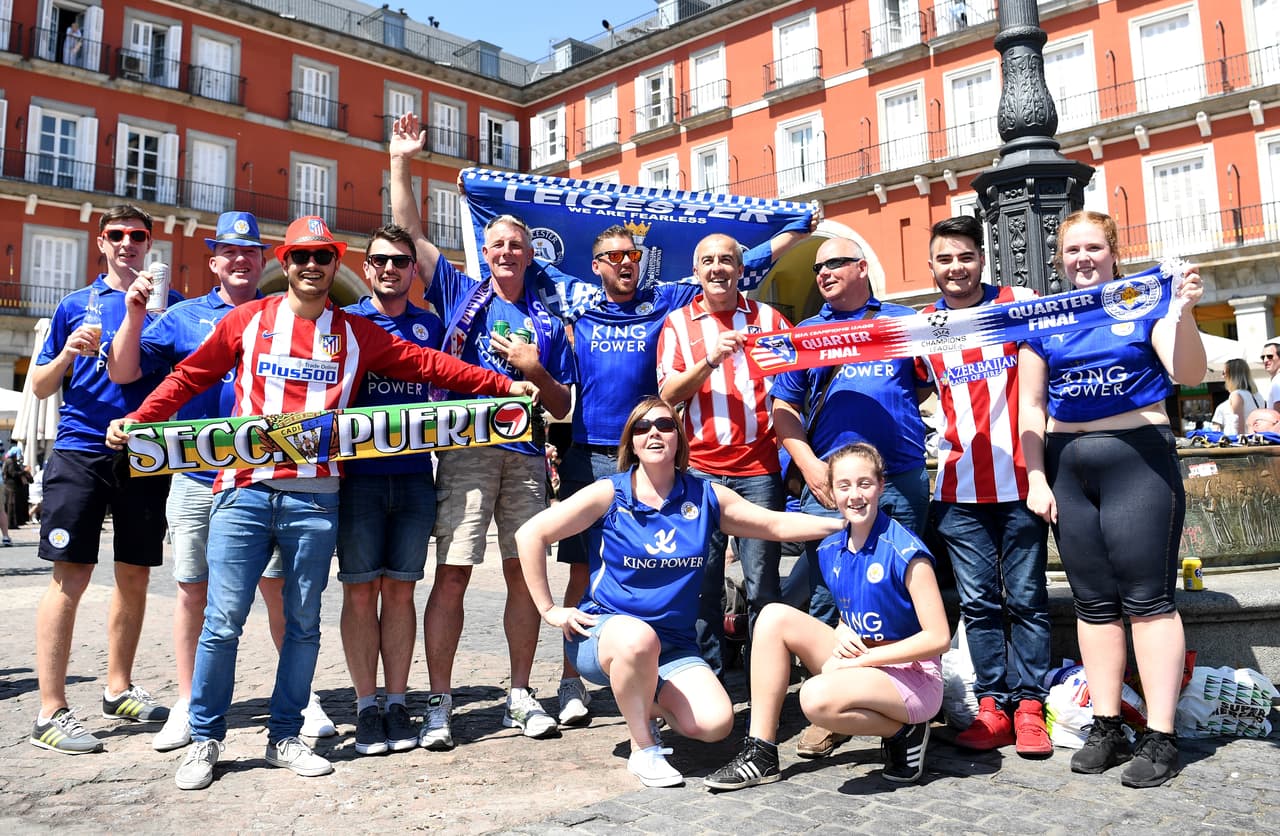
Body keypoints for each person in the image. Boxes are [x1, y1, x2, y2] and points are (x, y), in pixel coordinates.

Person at [105, 215, 530, 791]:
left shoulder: (355, 332)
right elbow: (189, 377)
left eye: (322, 256)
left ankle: (285, 735)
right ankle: (205, 737)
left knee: (304, 626)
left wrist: (503, 386)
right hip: (244, 491)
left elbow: (431, 365)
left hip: (315, 497)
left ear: (335, 263)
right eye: (301, 256)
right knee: (222, 623)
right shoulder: (247, 320)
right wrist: (139, 417)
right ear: (286, 261)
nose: (311, 265)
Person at [515, 398, 844, 788]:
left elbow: (774, 525)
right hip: (605, 635)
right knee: (638, 638)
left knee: (715, 724)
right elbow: (530, 534)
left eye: (665, 425)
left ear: (679, 439)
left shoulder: (704, 496)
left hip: (673, 646)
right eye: (642, 427)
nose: (654, 433)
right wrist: (550, 609)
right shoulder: (609, 494)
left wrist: (842, 524)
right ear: (631, 442)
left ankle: (638, 697)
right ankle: (644, 747)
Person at [107, 210, 334, 751]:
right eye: (228, 251)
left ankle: (300, 698)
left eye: (249, 251)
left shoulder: (287, 312)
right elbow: (123, 371)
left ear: (264, 261)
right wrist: (133, 315)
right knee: (193, 590)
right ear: (213, 263)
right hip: (195, 476)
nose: (239, 260)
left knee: (279, 590)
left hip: (265, 476)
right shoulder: (183, 316)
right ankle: (188, 703)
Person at [389, 114, 575, 748]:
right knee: (453, 573)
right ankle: (440, 702)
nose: (506, 252)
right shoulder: (460, 292)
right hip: (466, 450)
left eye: (516, 245)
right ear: (485, 251)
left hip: (525, 457)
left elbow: (562, 406)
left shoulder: (548, 318)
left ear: (530, 254)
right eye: (496, 244)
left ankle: (520, 694)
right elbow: (412, 234)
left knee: (525, 575)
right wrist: (401, 161)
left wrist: (534, 369)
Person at [1020, 209, 1206, 788]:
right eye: (1072, 249)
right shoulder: (1043, 317)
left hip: (1138, 459)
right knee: (1093, 603)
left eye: (1094, 248)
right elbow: (1031, 407)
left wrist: (1182, 311)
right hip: (1066, 467)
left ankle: (1161, 734)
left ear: (1114, 253)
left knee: (1149, 601)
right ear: (1059, 258)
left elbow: (1188, 370)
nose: (1083, 258)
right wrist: (1036, 478)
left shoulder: (1145, 302)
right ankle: (1106, 724)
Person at [705, 442, 949, 790]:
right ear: (831, 493)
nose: (855, 495)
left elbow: (938, 638)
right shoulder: (831, 547)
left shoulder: (906, 552)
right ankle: (761, 753)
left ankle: (904, 731)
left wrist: (865, 660)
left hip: (913, 674)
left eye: (864, 483)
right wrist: (843, 629)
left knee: (815, 698)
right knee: (772, 616)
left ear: (881, 485)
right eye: (844, 485)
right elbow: (855, 611)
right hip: (865, 658)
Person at [28, 205, 181, 755]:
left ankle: (118, 689)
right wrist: (68, 353)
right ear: (101, 242)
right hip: (80, 450)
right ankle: (50, 711)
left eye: (136, 235)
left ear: (149, 244)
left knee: (135, 574)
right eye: (116, 235)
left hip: (144, 452)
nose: (126, 243)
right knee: (70, 576)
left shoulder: (170, 306)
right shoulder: (75, 304)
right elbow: (40, 386)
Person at [770, 235, 930, 758]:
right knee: (827, 596)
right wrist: (809, 464)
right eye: (818, 268)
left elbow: (924, 385)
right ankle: (835, 705)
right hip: (831, 487)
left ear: (862, 267)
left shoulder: (904, 321)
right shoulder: (805, 334)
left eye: (835, 263)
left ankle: (903, 698)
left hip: (899, 477)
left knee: (903, 589)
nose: (823, 273)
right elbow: (784, 409)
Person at [915, 216, 1053, 757]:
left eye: (966, 256)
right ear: (931, 266)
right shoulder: (923, 325)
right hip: (958, 488)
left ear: (982, 258)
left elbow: (1041, 389)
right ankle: (992, 705)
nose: (956, 267)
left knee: (1028, 600)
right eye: (945, 259)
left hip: (1022, 483)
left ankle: (1031, 707)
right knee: (979, 604)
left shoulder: (1019, 303)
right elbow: (902, 385)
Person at [657, 233, 792, 678]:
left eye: (726, 260)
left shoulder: (770, 319)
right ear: (696, 271)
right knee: (703, 583)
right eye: (709, 261)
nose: (718, 268)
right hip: (700, 472)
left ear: (740, 269)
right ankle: (708, 678)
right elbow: (668, 394)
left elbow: (793, 386)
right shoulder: (678, 323)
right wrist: (710, 359)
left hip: (759, 470)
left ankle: (766, 676)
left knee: (763, 583)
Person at [337, 223, 442, 755]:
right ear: (367, 266)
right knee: (360, 591)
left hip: (415, 476)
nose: (390, 269)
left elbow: (449, 388)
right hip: (357, 480)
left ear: (412, 269)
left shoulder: (431, 326)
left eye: (401, 261)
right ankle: (365, 707)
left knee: (401, 591)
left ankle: (397, 703)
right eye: (380, 260)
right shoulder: (345, 323)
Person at [1210, 358, 1262, 435]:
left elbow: (1238, 424)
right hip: (1255, 437)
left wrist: (1239, 440)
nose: (1222, 376)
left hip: (1238, 439)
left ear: (1232, 375)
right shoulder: (1257, 395)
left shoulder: (1236, 395)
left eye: (1224, 373)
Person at [1262, 340, 1280, 409]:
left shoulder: (1277, 381)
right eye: (1263, 357)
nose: (1265, 360)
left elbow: (1278, 411)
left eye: (1270, 356)